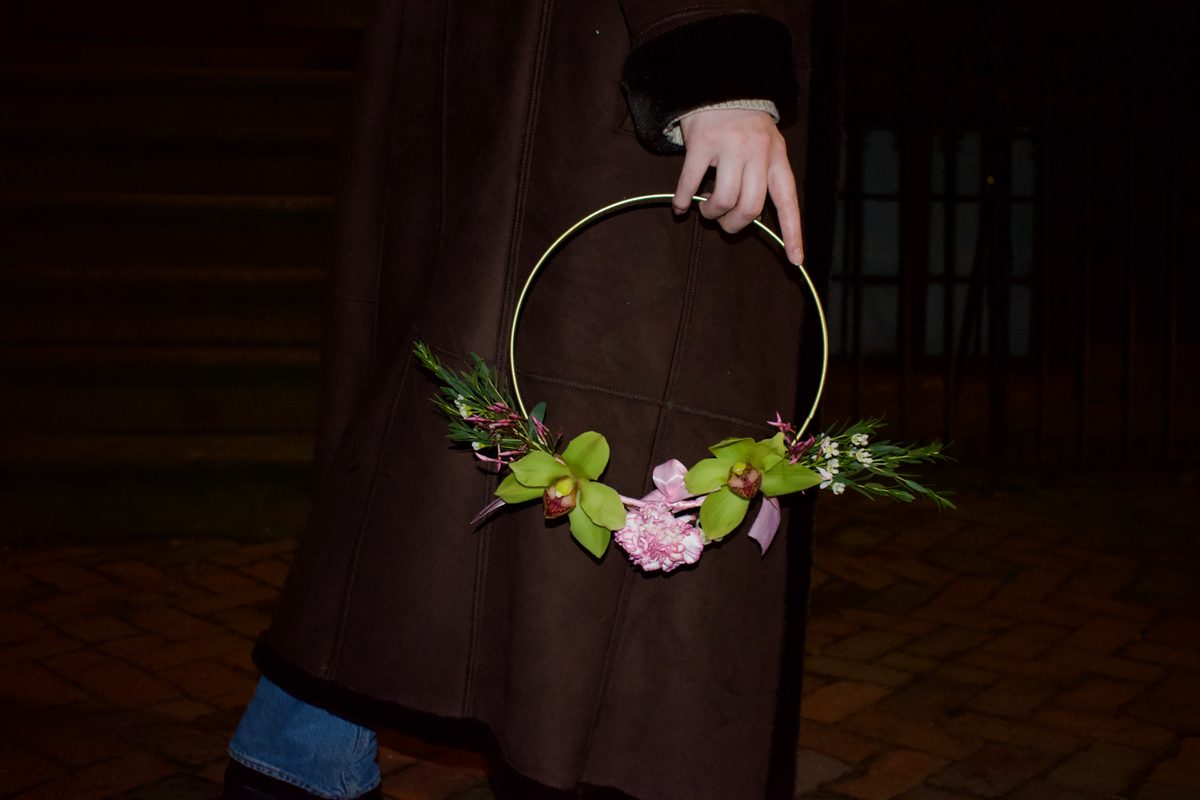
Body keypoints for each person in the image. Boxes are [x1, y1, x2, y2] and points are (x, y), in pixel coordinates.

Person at [224, 2, 822, 798]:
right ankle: (307, 750)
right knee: (592, 422)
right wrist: (714, 52)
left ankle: (298, 750)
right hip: (605, 85)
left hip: (533, 73)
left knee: (447, 423)